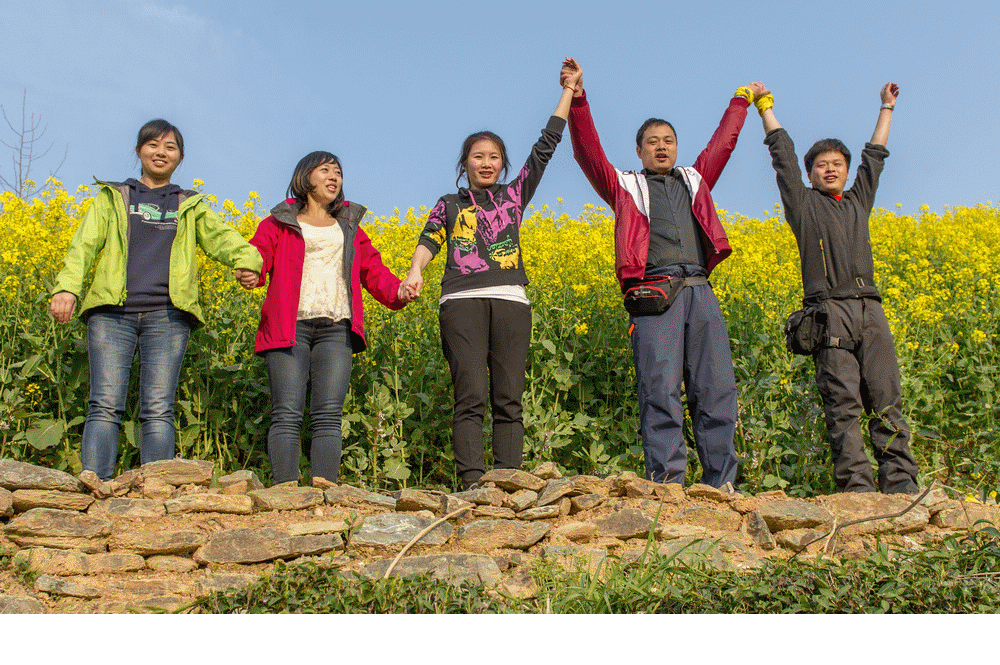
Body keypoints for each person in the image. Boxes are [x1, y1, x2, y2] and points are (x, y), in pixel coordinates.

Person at [565, 58, 766, 489]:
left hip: (700, 290)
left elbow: (723, 144)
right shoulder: (624, 187)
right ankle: (666, 485)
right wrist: (578, 99)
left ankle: (723, 486)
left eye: (668, 141)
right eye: (652, 142)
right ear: (638, 151)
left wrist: (740, 101)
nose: (662, 147)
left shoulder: (696, 179)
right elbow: (587, 152)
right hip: (655, 294)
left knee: (716, 391)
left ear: (676, 147)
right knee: (659, 392)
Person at [399, 60, 581, 490]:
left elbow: (546, 146)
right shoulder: (448, 203)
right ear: (465, 163)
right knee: (470, 396)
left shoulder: (515, 195)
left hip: (511, 301)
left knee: (508, 397)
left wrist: (569, 92)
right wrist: (415, 272)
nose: (486, 162)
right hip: (460, 301)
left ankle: (508, 482)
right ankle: (472, 483)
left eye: (494, 157)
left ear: (502, 165)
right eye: (478, 156)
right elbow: (429, 238)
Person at [50, 119, 263, 481]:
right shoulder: (114, 197)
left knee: (158, 407)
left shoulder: (189, 204)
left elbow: (223, 239)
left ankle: (154, 490)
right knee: (104, 404)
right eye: (153, 144)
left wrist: (250, 262)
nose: (161, 152)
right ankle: (94, 485)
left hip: (167, 315)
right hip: (111, 313)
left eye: (170, 147)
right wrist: (67, 287)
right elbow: (83, 246)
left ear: (180, 157)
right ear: (139, 151)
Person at [759, 83, 920, 494]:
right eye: (821, 165)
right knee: (843, 407)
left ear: (846, 172)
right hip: (829, 313)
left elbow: (875, 159)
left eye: (837, 164)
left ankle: (900, 486)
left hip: (870, 308)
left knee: (887, 400)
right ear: (811, 174)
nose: (830, 169)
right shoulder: (803, 204)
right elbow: (783, 159)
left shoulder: (857, 200)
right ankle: (858, 491)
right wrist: (766, 108)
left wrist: (886, 107)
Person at [245, 152, 412, 486]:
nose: (334, 177)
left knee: (328, 415)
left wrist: (398, 292)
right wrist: (252, 271)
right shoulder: (278, 222)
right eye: (325, 171)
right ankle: (285, 493)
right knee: (287, 412)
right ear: (306, 178)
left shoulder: (348, 225)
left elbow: (372, 269)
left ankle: (325, 493)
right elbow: (258, 252)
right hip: (289, 325)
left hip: (336, 326)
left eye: (338, 172)